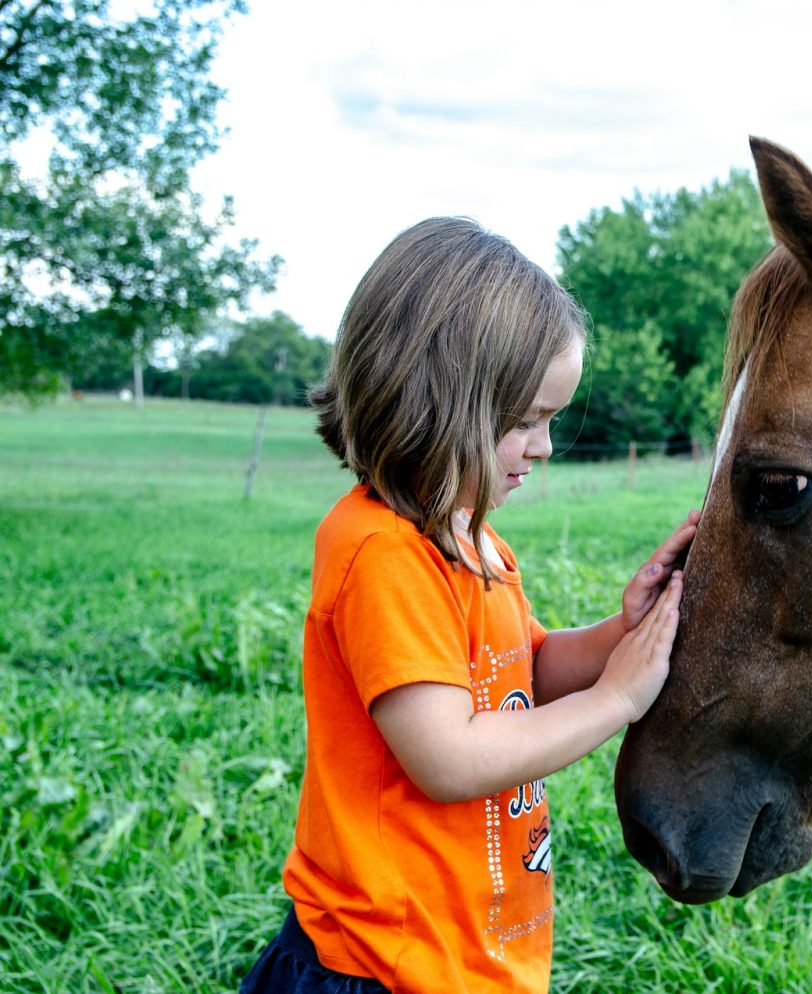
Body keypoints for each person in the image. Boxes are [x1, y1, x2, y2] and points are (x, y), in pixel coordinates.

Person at [240, 216, 698, 993]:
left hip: (467, 951)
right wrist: (617, 701)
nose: (544, 447)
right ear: (429, 398)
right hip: (380, 964)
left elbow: (529, 669)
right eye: (524, 422)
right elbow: (448, 758)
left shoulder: (472, 537)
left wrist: (625, 628)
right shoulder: (382, 551)